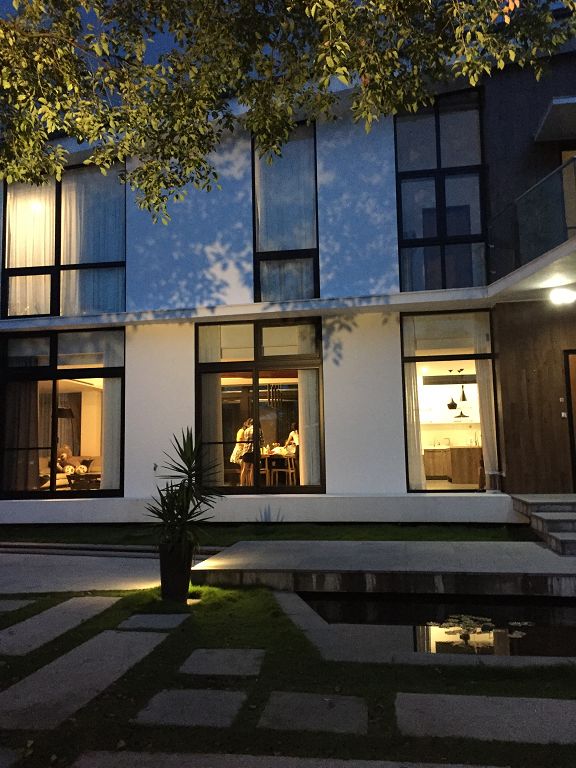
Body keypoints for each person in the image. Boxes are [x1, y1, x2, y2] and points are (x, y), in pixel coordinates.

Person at [240, 418, 254, 486]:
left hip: (246, 451)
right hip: (254, 451)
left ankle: (242, 484)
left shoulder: (246, 430)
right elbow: (262, 442)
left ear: (249, 423)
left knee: (245, 469)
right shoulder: (259, 430)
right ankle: (252, 485)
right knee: (252, 469)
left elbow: (246, 441)